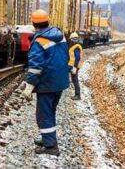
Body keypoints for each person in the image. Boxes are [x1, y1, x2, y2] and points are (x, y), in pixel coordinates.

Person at [20, 9, 69, 156]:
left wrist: (29, 86)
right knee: (50, 111)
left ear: (34, 24)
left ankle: (51, 147)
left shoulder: (39, 41)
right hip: (60, 81)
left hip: (47, 83)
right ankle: (48, 139)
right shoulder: (60, 35)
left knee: (43, 114)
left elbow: (35, 68)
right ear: (48, 20)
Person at [68, 32, 83, 100]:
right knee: (74, 79)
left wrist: (74, 67)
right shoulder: (74, 46)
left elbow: (77, 58)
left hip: (74, 66)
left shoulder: (76, 47)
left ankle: (78, 95)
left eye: (71, 39)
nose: (70, 41)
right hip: (71, 65)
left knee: (75, 80)